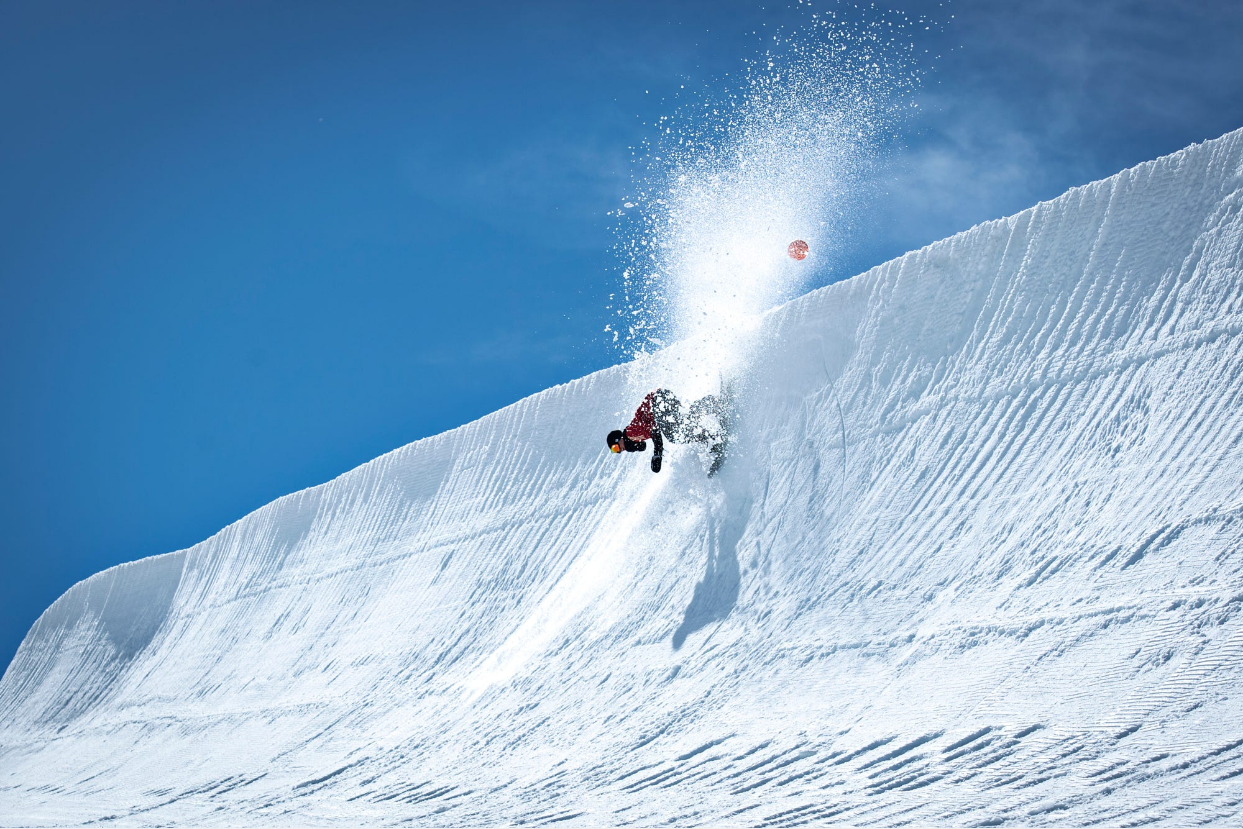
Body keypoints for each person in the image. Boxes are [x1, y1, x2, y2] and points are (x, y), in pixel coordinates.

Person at [606, 388, 730, 475]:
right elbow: (651, 434)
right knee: (684, 424)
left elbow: (655, 432)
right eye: (615, 451)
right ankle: (715, 405)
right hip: (661, 400)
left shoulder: (630, 433)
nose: (619, 451)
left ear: (618, 439)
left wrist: (657, 455)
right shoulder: (634, 436)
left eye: (615, 448)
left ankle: (713, 436)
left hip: (658, 402)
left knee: (675, 435)